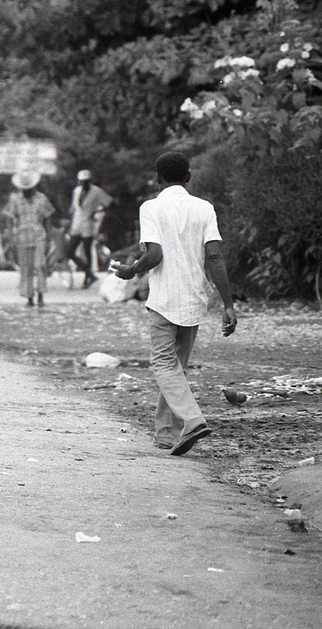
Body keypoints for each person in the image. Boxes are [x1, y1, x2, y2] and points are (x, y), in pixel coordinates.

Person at [112, 151, 237, 455]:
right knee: (175, 368)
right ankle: (165, 432)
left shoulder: (152, 207)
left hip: (165, 298)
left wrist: (130, 271)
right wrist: (228, 304)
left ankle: (192, 420)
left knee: (163, 364)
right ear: (189, 177)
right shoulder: (204, 208)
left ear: (157, 178)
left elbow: (155, 255)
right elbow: (215, 257)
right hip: (194, 298)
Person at [5, 170, 56, 307]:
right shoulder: (15, 199)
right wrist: (11, 238)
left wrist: (50, 239)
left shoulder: (42, 198)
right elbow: (9, 218)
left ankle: (40, 294)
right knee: (25, 268)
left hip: (39, 235)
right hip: (22, 237)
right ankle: (29, 297)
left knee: (40, 265)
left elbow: (48, 219)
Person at [66, 169, 112, 288]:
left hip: (88, 224)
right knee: (70, 252)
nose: (83, 184)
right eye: (82, 182)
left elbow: (109, 203)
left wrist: (97, 212)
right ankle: (89, 273)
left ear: (89, 181)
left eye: (86, 182)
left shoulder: (96, 191)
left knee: (87, 252)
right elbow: (74, 207)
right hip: (76, 223)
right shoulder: (76, 191)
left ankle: (88, 277)